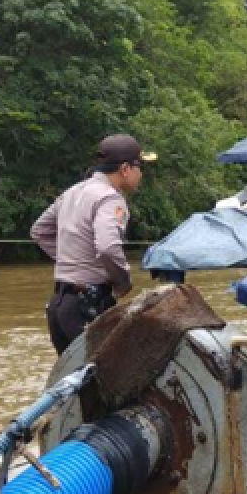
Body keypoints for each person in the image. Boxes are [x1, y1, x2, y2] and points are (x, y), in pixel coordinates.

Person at [31, 134, 155, 355]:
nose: (141, 174)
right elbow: (108, 247)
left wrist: (70, 261)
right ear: (125, 169)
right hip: (88, 305)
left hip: (60, 306)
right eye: (140, 167)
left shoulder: (71, 192)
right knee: (111, 379)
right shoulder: (110, 198)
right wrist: (123, 282)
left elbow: (39, 231)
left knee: (75, 381)